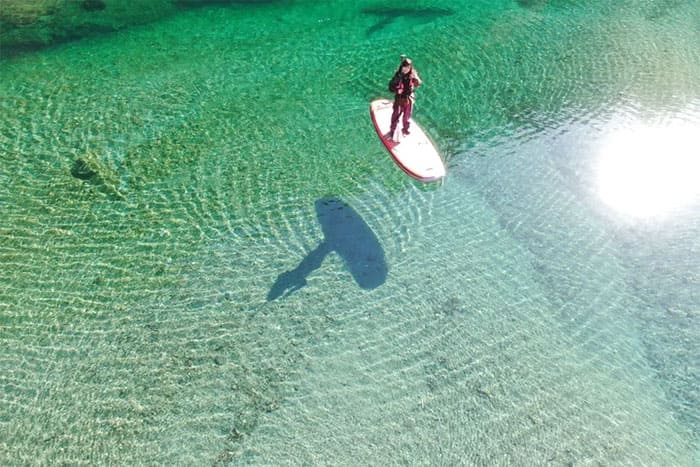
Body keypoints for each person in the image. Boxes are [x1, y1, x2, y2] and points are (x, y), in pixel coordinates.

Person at [387, 56, 422, 139]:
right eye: (404, 67)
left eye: (408, 68)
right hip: (399, 99)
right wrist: (396, 90)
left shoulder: (412, 75)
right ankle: (393, 131)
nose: (406, 69)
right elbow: (391, 87)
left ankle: (405, 130)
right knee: (396, 116)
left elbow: (418, 83)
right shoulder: (398, 76)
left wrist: (416, 78)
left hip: (409, 99)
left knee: (407, 117)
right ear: (402, 67)